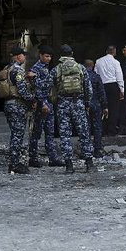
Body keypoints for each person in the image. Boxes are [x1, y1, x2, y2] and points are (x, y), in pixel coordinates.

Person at [50, 45, 95, 173]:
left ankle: (69, 166)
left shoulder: (56, 69)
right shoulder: (80, 68)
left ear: (60, 55)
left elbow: (48, 87)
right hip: (78, 103)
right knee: (84, 133)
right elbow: (88, 88)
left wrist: (54, 101)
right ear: (72, 53)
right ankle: (89, 163)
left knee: (65, 135)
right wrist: (86, 103)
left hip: (62, 105)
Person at [28, 46, 63, 167]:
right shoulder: (36, 69)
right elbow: (36, 89)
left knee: (50, 132)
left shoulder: (46, 68)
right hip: (41, 104)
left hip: (49, 102)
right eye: (47, 56)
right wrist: (42, 103)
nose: (49, 58)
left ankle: (53, 158)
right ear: (41, 55)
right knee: (36, 133)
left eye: (50, 56)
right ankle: (33, 158)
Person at [5, 47, 37, 174]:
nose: (25, 57)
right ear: (19, 56)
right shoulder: (18, 71)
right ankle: (15, 164)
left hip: (9, 105)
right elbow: (22, 90)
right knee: (17, 136)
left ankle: (13, 162)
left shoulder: (8, 68)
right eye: (24, 55)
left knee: (15, 134)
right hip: (17, 106)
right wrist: (32, 99)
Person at [95, 46, 124, 135]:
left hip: (102, 85)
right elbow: (119, 76)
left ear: (106, 51)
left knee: (103, 107)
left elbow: (96, 74)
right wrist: (122, 89)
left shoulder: (98, 61)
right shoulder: (116, 62)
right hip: (113, 85)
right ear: (114, 52)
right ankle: (112, 130)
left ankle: (103, 129)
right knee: (114, 108)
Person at [85, 59, 109, 158]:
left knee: (86, 128)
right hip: (96, 103)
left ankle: (86, 150)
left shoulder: (82, 77)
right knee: (97, 127)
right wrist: (105, 106)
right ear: (93, 66)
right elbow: (101, 93)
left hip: (85, 104)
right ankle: (97, 150)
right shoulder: (96, 77)